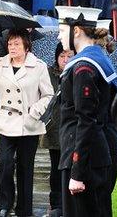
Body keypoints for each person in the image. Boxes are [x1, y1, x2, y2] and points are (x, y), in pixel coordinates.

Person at [0, 29, 53, 217]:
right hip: (5, 122)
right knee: (5, 164)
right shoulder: (0, 64)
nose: (12, 47)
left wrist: (34, 111)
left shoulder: (39, 66)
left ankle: (24, 209)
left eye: (17, 44)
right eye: (10, 44)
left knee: (26, 168)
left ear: (26, 46)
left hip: (29, 124)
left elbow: (49, 95)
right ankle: (4, 204)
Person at [55, 6, 117, 217]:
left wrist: (77, 172)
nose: (59, 35)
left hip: (85, 160)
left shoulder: (84, 66)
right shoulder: (95, 60)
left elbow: (86, 121)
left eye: (62, 30)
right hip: (93, 156)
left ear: (76, 31)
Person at [40, 43, 74, 217]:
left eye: (69, 56)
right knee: (55, 168)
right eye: (62, 56)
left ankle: (69, 203)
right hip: (54, 128)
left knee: (71, 168)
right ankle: (56, 204)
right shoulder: (48, 73)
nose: (65, 60)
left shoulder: (78, 72)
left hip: (72, 130)